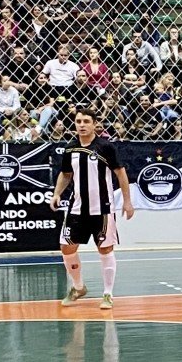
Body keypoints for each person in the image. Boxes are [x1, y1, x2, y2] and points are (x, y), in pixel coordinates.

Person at [53, 107, 134, 309]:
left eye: (86, 121)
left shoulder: (105, 147)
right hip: (76, 208)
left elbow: (121, 174)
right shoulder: (70, 148)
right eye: (78, 121)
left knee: (105, 249)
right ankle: (78, 287)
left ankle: (107, 294)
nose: (81, 125)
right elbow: (66, 174)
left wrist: (127, 201)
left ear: (95, 124)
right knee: (66, 247)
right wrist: (56, 193)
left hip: (103, 208)